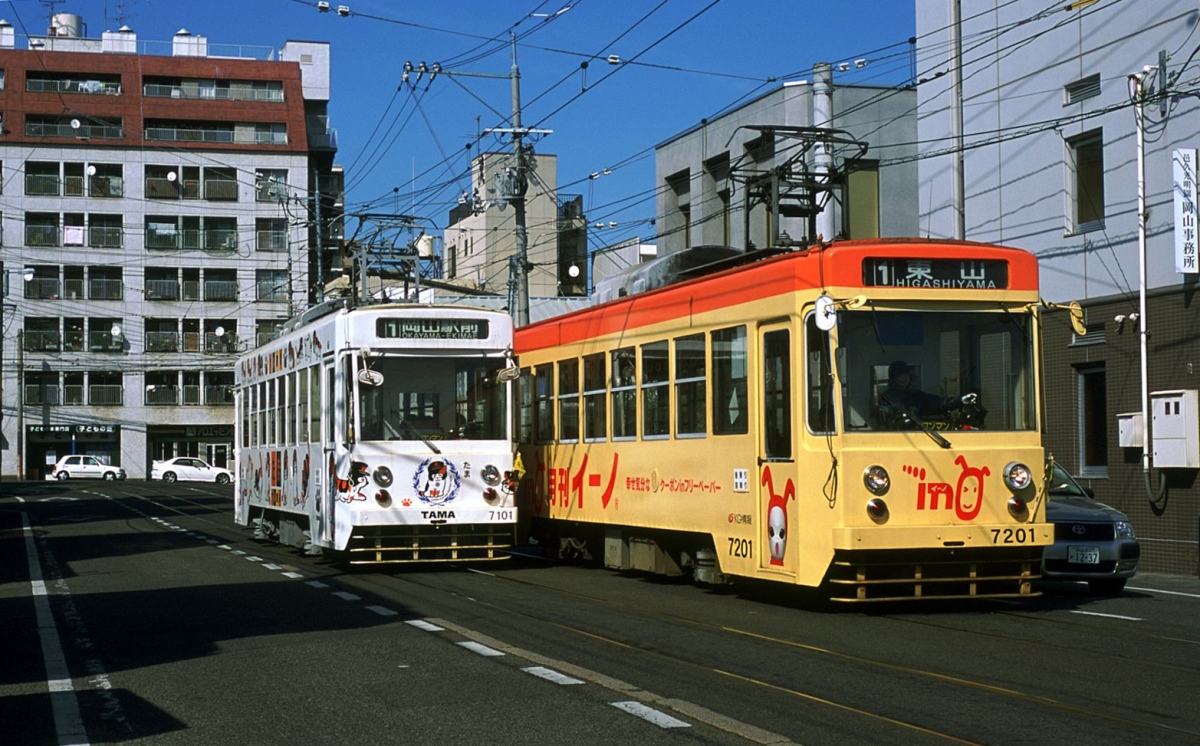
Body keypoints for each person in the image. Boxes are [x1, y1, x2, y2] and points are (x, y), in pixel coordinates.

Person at [881, 360, 977, 420]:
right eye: (899, 374)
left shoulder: (917, 396)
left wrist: (960, 400)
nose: (904, 378)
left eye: (906, 374)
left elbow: (940, 403)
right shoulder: (886, 398)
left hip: (918, 436)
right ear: (893, 377)